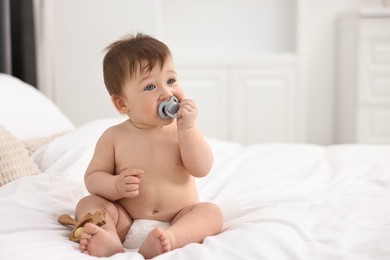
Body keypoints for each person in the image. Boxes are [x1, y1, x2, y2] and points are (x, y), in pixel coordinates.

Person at [74, 33, 223, 258]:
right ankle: (109, 237)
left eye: (171, 81)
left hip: (177, 219)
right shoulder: (114, 136)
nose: (167, 92)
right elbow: (93, 178)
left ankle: (170, 240)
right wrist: (115, 185)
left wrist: (188, 129)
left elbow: (202, 168)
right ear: (122, 103)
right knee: (88, 204)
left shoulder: (182, 131)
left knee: (211, 213)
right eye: (150, 87)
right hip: (127, 221)